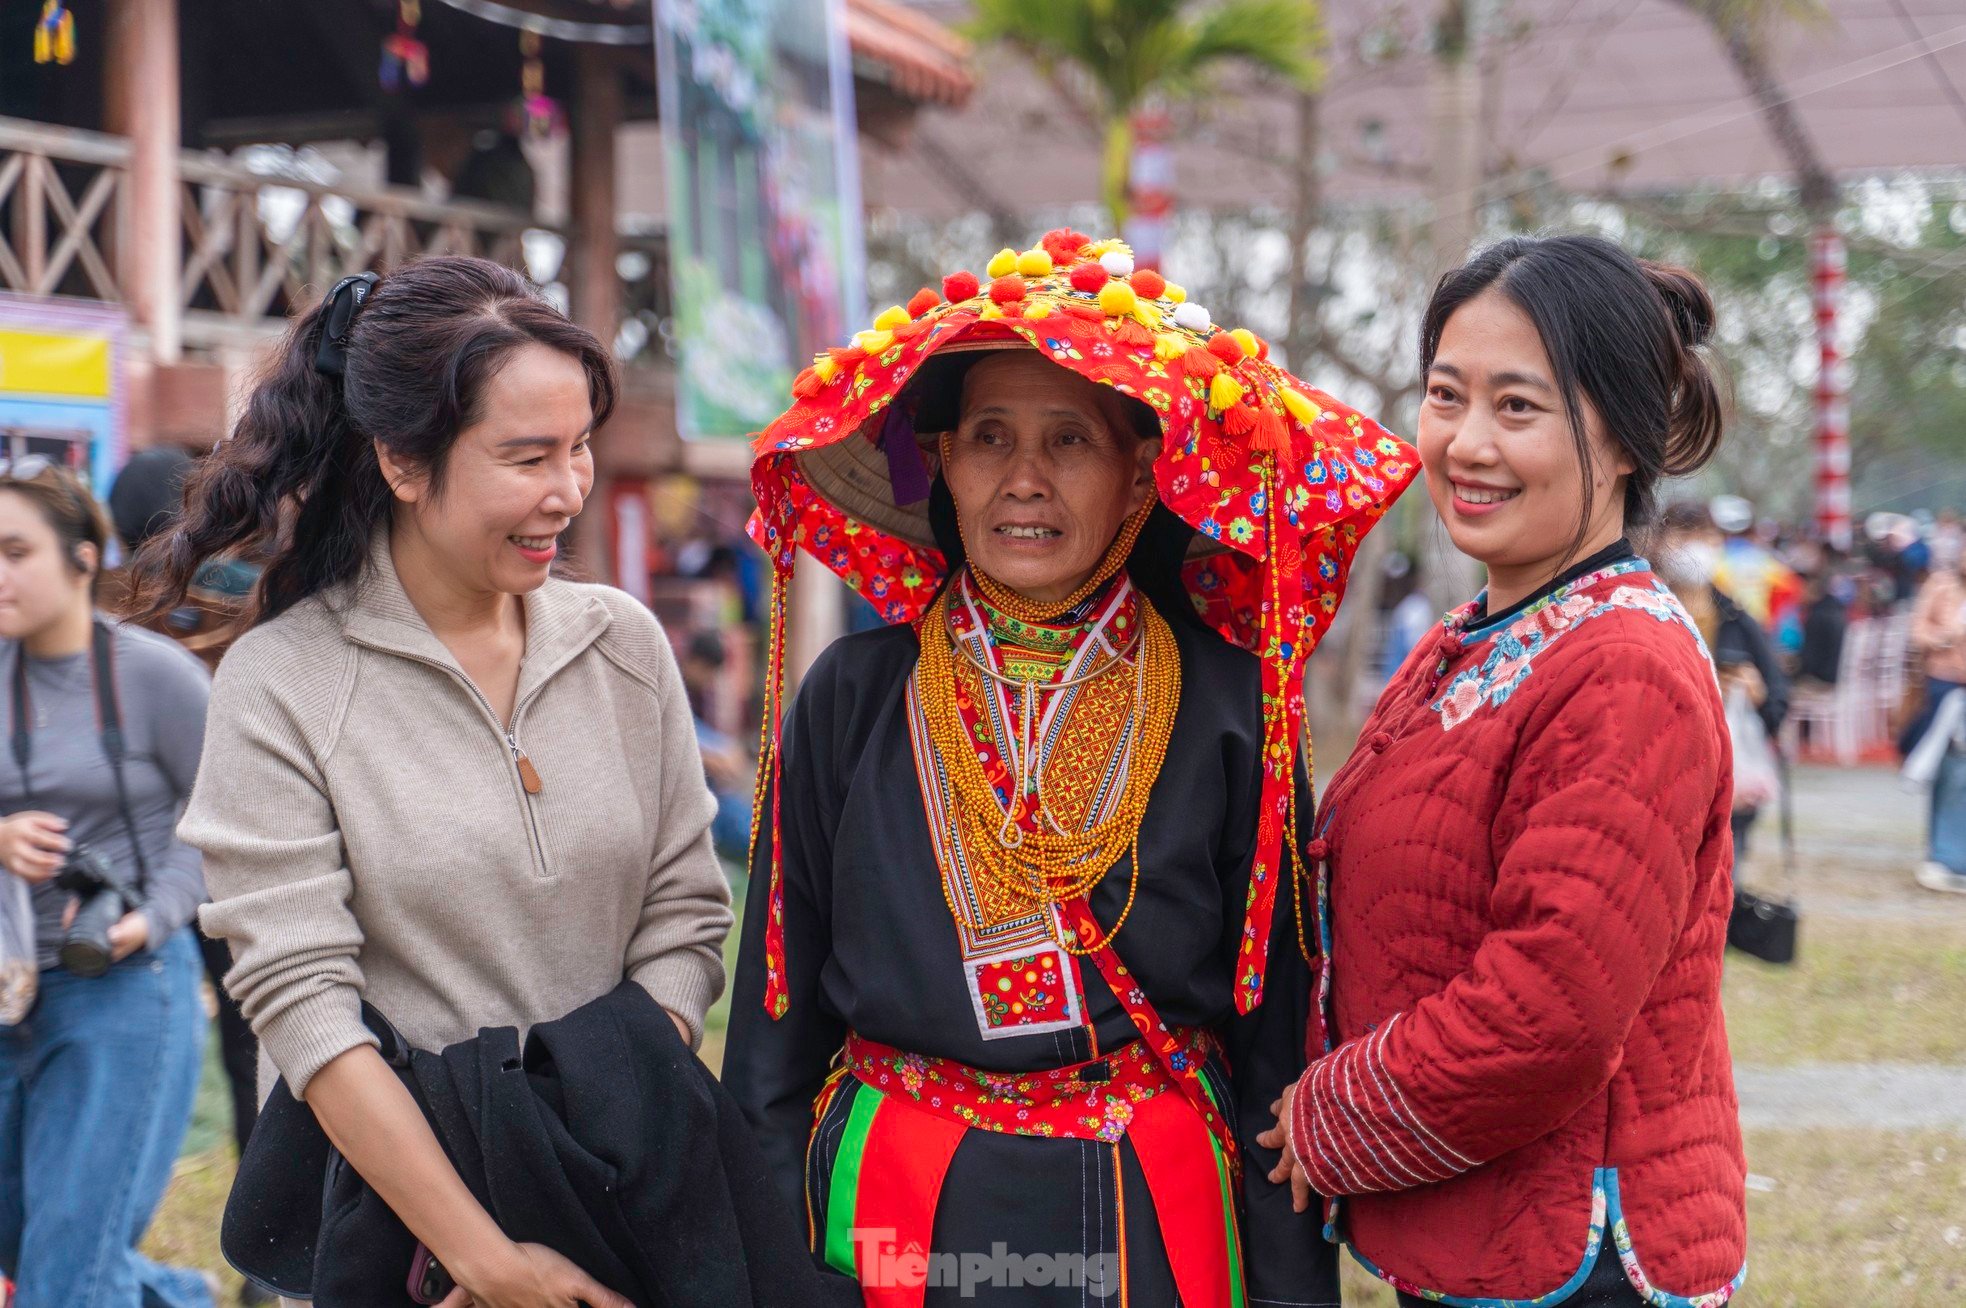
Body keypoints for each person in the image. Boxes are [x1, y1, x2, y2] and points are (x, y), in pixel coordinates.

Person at [726, 229, 1415, 1306]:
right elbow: (771, 1042)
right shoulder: (853, 697)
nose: (1025, 480)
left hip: (1146, 1196)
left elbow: (1273, 1038)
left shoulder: (1233, 705)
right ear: (942, 462)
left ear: (1141, 477)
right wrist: (769, 1277)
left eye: (1070, 441)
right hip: (899, 1207)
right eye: (990, 438)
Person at [140, 257, 736, 1308]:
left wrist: (580, 1136)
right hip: (409, 1246)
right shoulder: (284, 684)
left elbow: (685, 916)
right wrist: (488, 1258)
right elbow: (305, 1007)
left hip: (630, 1195)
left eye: (580, 447)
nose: (567, 491)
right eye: (525, 457)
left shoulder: (624, 647)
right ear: (405, 464)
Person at [1259, 235, 1747, 1305]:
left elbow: (1547, 1013)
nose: (1465, 443)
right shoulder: (1483, 630)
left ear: (1622, 437)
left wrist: (1328, 1116)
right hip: (1480, 1226)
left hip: (1577, 1254)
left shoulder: (1625, 668)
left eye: (1516, 407)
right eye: (1445, 395)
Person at [0, 460, 216, 1307]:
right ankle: (177, 1299)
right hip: (12, 986)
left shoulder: (155, 676)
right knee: (33, 1240)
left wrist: (153, 919)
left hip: (123, 983)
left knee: (63, 1275)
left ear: (84, 560)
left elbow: (220, 821)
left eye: (16, 551)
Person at [1657, 502, 1790, 860]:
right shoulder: (1646, 609)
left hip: (1725, 776)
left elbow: (1779, 701)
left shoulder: (1736, 617)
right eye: (1685, 534)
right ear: (1660, 542)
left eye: (1706, 534)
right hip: (1662, 774)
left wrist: (1757, 694)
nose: (1697, 545)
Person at [1906, 542, 1966, 893]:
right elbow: (1918, 632)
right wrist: (1946, 638)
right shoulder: (1941, 586)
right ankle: (1944, 855)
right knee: (1948, 770)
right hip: (1945, 687)